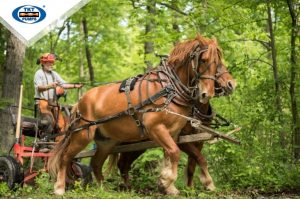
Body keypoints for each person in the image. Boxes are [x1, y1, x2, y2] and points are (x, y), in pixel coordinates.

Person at [34, 53, 82, 151]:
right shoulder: (38, 73)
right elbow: (39, 88)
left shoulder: (54, 74)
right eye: (49, 62)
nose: (51, 64)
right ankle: (42, 145)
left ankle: (56, 144)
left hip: (53, 104)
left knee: (62, 124)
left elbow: (64, 84)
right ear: (43, 63)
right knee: (49, 122)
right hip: (42, 103)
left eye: (52, 62)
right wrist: (50, 85)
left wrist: (75, 85)